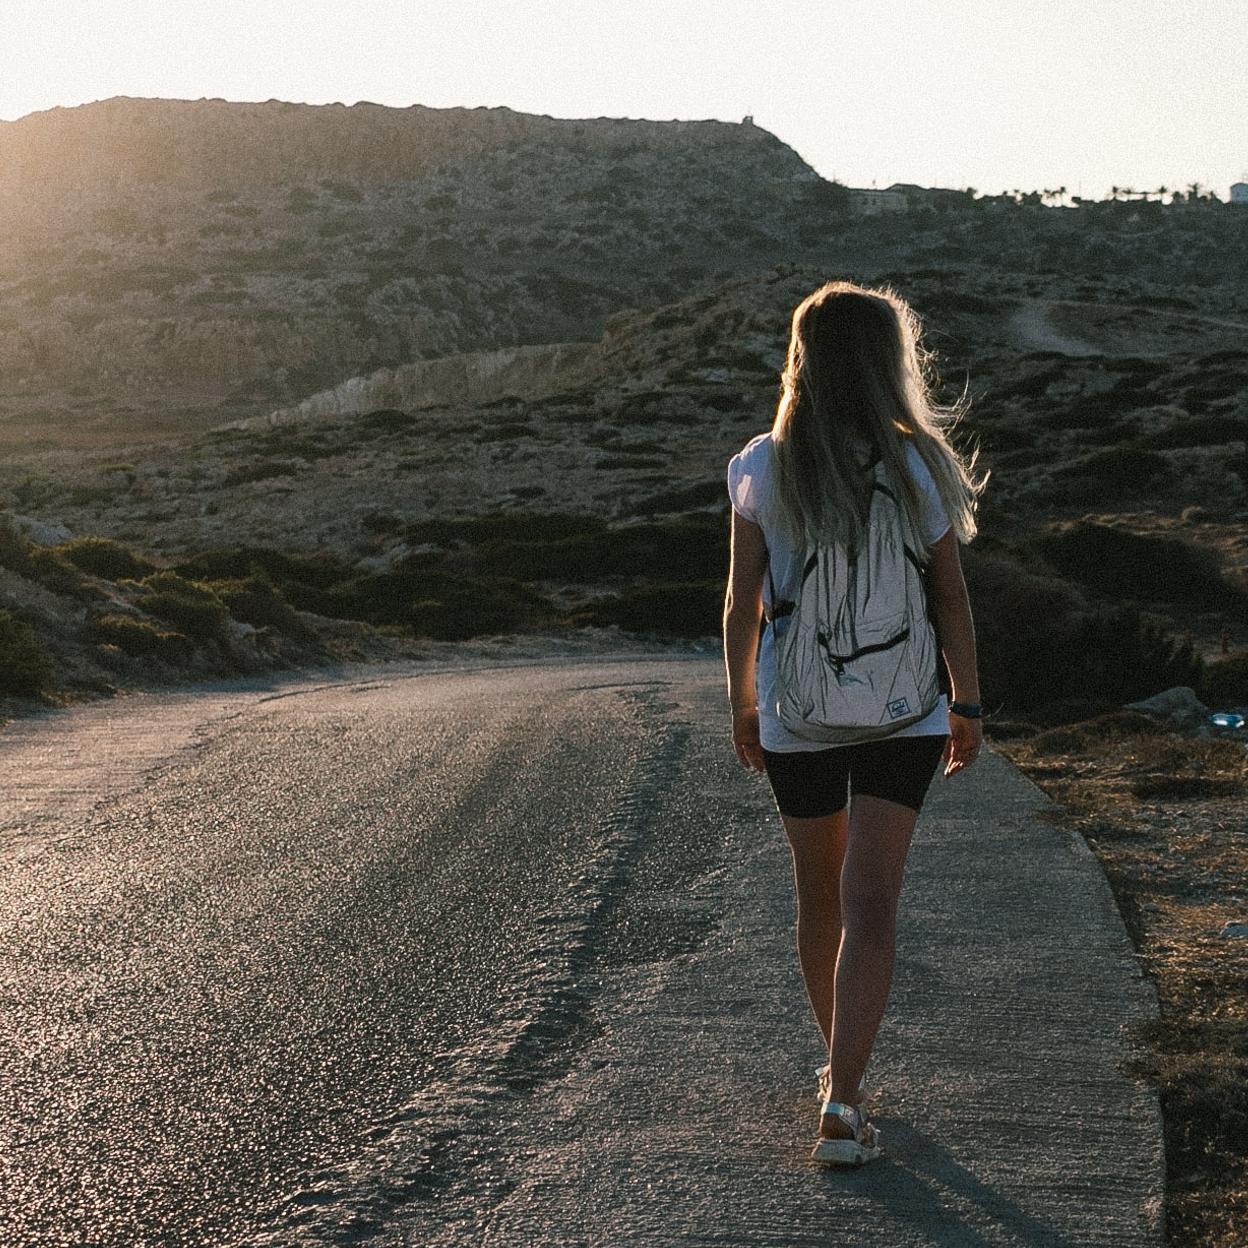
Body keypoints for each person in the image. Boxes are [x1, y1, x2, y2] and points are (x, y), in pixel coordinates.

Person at [722, 279, 988, 1166]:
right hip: (904, 712)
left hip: (797, 713)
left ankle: (841, 1079)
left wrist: (744, 705)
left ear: (803, 358)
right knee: (872, 905)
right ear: (887, 364)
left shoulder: (762, 464)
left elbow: (740, 604)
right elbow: (949, 595)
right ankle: (843, 1095)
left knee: (819, 897)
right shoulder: (918, 466)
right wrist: (968, 702)